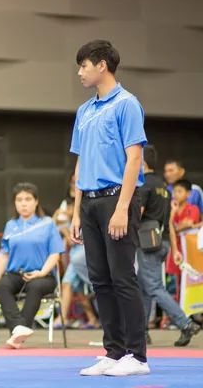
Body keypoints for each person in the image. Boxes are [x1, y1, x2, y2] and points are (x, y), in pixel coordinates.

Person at [69, 40, 149, 377]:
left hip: (117, 200)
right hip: (88, 203)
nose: (79, 72)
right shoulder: (84, 111)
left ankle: (138, 357)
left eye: (83, 65)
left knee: (123, 279)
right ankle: (114, 352)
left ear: (102, 65)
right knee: (100, 282)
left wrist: (122, 207)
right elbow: (79, 164)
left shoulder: (127, 104)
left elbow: (134, 158)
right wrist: (75, 211)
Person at [0, 183, 63, 348]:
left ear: (36, 202)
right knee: (2, 285)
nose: (23, 203)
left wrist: (41, 272)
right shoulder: (11, 225)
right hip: (16, 274)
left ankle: (18, 331)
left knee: (36, 286)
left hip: (43, 275)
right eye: (19, 200)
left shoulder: (47, 223)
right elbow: (5, 255)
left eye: (28, 199)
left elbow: (55, 254)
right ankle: (19, 329)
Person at [137, 146, 201, 347]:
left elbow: (136, 216)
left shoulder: (144, 186)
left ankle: (186, 324)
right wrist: (174, 249)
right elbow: (169, 223)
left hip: (148, 243)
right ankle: (142, 331)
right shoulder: (164, 188)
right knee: (144, 286)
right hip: (162, 242)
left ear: (142, 162)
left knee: (154, 287)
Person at [54, 198, 99, 329]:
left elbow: (72, 241)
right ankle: (92, 319)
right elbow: (51, 228)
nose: (67, 211)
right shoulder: (68, 223)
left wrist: (65, 232)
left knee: (66, 283)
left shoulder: (80, 221)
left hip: (81, 259)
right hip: (75, 260)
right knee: (79, 293)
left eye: (69, 208)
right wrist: (56, 216)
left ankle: (62, 317)